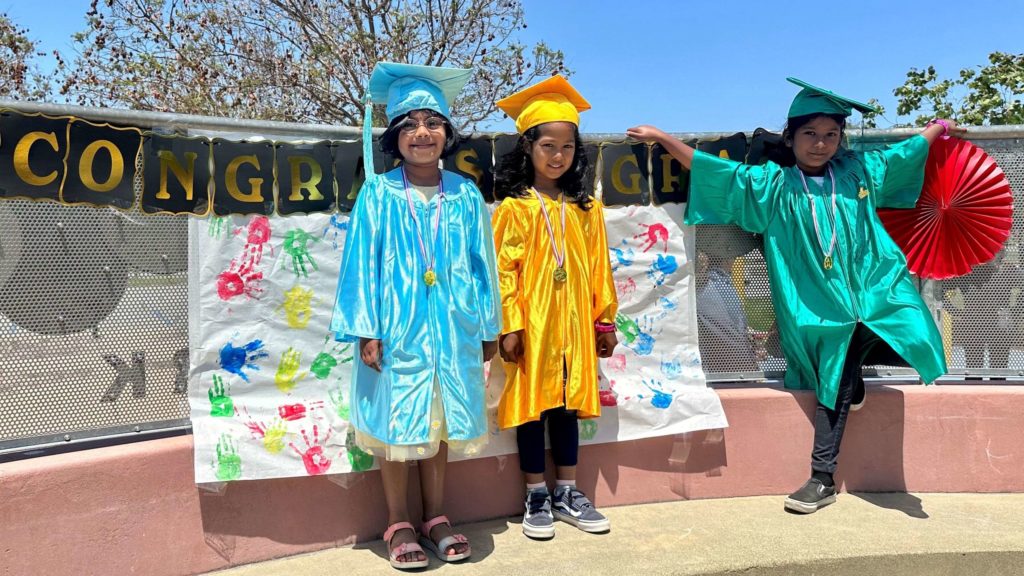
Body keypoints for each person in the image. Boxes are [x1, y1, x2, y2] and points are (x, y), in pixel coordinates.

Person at [628, 78, 965, 514]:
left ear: (841, 139)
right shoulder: (775, 185)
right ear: (790, 138)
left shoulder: (857, 173)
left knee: (917, 328)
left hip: (873, 285)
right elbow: (716, 171)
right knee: (837, 363)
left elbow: (904, 153)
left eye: (830, 135)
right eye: (810, 134)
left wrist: (937, 127)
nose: (820, 144)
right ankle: (822, 477)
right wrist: (662, 137)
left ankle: (851, 381)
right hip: (814, 303)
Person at [331, 62, 502, 569]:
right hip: (396, 326)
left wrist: (488, 327)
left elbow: (483, 264)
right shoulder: (378, 193)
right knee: (394, 424)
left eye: (433, 122)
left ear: (448, 132)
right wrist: (366, 327)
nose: (422, 133)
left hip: (453, 325)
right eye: (410, 124)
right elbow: (359, 263)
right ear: (395, 137)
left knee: (440, 421)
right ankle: (398, 519)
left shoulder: (465, 192)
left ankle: (437, 516)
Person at [492, 75, 619, 538]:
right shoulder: (515, 208)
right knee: (532, 408)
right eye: (548, 145)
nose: (557, 155)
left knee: (567, 406)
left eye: (566, 146)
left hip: (576, 327)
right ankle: (535, 494)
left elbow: (599, 267)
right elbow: (504, 272)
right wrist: (511, 324)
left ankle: (567, 489)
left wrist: (604, 318)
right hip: (534, 324)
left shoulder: (588, 209)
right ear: (527, 147)